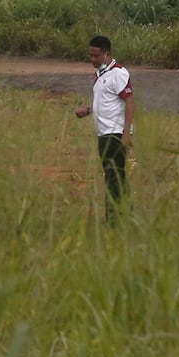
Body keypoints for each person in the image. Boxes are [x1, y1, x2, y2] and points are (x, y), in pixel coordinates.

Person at [74, 34, 135, 222]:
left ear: (106, 54)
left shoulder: (118, 73)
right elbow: (108, 102)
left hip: (114, 134)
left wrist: (126, 133)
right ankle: (127, 215)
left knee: (113, 177)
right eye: (90, 56)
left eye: (96, 56)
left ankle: (113, 220)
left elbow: (130, 103)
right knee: (116, 176)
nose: (92, 60)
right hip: (103, 133)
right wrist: (89, 110)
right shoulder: (101, 75)